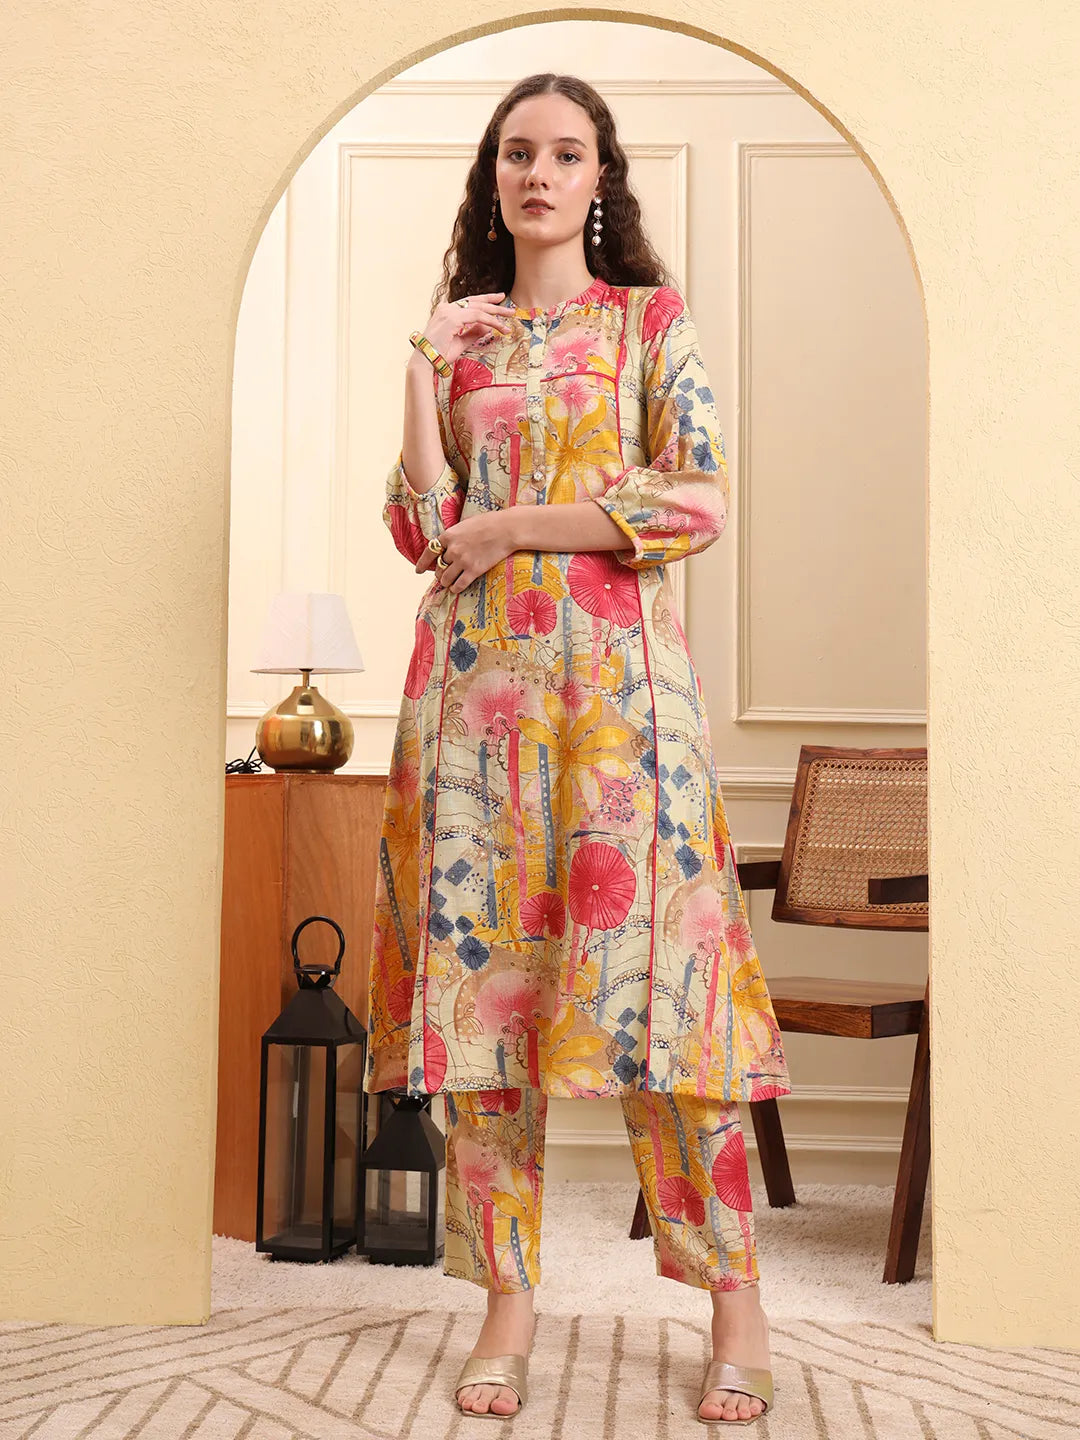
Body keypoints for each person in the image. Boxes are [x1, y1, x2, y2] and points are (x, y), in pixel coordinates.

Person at [364, 71, 792, 1426]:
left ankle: (736, 1306)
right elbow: (419, 529)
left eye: (564, 154)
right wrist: (423, 372)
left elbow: (694, 498)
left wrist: (514, 529)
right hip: (471, 714)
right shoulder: (464, 338)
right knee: (485, 1016)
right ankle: (506, 1304)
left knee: (675, 1005)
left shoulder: (648, 322)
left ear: (602, 176)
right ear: (491, 177)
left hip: (624, 718)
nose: (537, 175)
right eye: (516, 154)